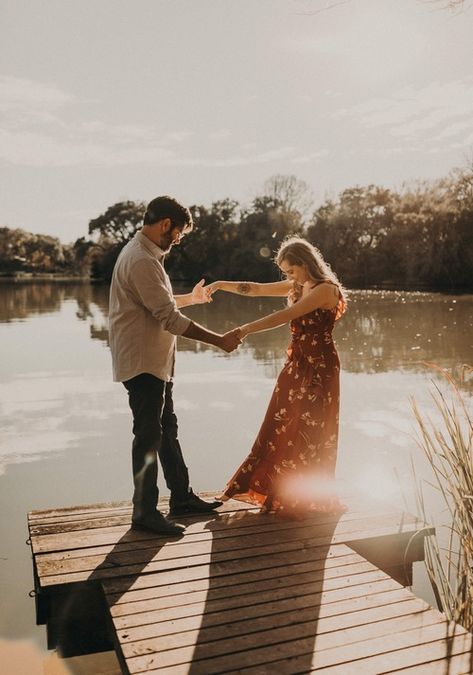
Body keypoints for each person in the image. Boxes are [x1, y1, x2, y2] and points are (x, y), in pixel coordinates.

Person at [109, 196, 241, 535]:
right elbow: (167, 317)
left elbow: (158, 302)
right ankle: (144, 512)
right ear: (166, 224)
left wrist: (191, 300)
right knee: (149, 434)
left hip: (154, 360)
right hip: (142, 361)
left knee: (167, 429)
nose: (178, 240)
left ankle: (181, 497)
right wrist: (220, 340)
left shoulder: (146, 256)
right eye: (179, 233)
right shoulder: (140, 259)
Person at [207, 236, 347, 517]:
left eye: (291, 271)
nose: (289, 277)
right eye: (286, 273)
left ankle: (306, 495)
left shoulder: (325, 290)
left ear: (306, 264)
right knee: (279, 423)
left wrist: (244, 329)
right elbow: (256, 290)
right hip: (297, 364)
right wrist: (221, 284)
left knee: (310, 431)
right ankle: (277, 490)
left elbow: (287, 315)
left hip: (319, 368)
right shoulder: (301, 284)